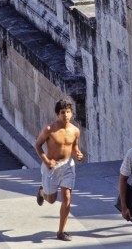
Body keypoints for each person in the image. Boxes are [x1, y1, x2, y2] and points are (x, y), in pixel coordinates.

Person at [34, 99, 84, 242]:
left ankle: (61, 231)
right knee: (51, 200)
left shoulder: (75, 130)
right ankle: (42, 192)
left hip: (68, 166)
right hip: (51, 167)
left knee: (67, 197)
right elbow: (37, 145)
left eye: (68, 112)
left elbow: (74, 147)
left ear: (72, 113)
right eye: (63, 112)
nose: (66, 115)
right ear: (57, 114)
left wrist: (78, 153)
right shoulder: (49, 129)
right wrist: (46, 161)